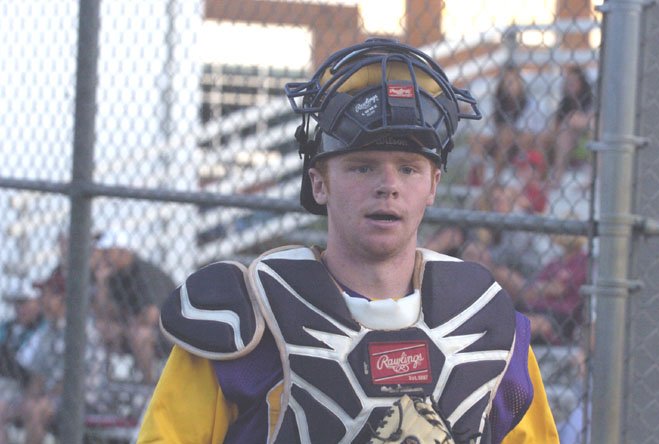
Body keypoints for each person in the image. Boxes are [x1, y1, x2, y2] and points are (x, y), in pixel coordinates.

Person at [138, 38, 558, 443]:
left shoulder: (490, 328)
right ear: (318, 184)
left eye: (409, 168)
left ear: (433, 185)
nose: (388, 186)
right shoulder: (244, 323)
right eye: (362, 167)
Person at [13, 270, 108, 444]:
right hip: (53, 397)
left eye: (47, 295)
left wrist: (39, 400)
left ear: (62, 299)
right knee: (4, 408)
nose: (41, 300)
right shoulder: (49, 328)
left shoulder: (81, 329)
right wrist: (30, 397)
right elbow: (38, 375)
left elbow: (72, 381)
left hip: (85, 400)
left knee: (36, 410)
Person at [90, 230, 175, 383]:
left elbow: (151, 315)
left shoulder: (144, 271)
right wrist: (101, 282)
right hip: (133, 327)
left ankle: (148, 384)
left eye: (108, 252)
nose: (104, 257)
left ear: (123, 252)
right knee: (104, 328)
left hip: (169, 332)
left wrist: (126, 323)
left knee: (140, 334)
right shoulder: (113, 274)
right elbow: (103, 313)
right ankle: (107, 381)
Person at [468, 64, 545, 184]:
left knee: (506, 135)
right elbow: (489, 128)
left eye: (513, 82)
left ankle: (496, 178)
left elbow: (530, 129)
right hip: (499, 138)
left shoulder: (528, 103)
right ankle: (478, 179)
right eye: (507, 82)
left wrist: (509, 132)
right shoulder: (497, 102)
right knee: (476, 138)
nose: (510, 86)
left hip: (521, 140)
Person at [0, 281, 46, 444]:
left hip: (26, 388)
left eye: (25, 303)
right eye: (17, 304)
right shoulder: (7, 328)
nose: (20, 309)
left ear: (39, 303)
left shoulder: (44, 329)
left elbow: (29, 369)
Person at [539, 64, 594, 187]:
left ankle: (591, 179)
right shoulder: (565, 103)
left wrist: (579, 121)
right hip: (571, 138)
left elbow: (593, 120)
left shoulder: (590, 99)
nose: (571, 85)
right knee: (563, 131)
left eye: (574, 81)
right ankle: (551, 177)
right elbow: (556, 126)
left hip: (589, 134)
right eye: (568, 81)